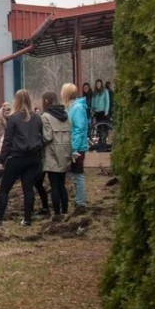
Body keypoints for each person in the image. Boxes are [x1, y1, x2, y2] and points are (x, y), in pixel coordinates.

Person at [0, 89, 43, 229]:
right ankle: (27, 220)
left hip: (16, 158)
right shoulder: (37, 118)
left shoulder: (14, 118)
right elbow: (41, 137)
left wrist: (1, 160)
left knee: (4, 189)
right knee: (28, 189)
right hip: (33, 159)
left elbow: (7, 141)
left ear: (16, 101)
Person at [40, 91, 72, 221]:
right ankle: (65, 211)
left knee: (54, 185)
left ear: (46, 101)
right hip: (65, 152)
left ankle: (57, 213)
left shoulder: (45, 116)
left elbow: (47, 137)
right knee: (62, 184)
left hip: (52, 153)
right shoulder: (66, 115)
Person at [63, 83, 89, 212]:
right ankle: (79, 200)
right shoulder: (71, 107)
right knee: (74, 174)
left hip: (77, 148)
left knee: (78, 174)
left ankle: (81, 203)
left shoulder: (77, 108)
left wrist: (74, 148)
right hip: (74, 146)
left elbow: (79, 129)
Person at [91, 79, 110, 146]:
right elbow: (92, 102)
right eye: (97, 83)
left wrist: (106, 110)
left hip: (103, 111)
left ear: (101, 84)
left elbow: (107, 101)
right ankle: (100, 140)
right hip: (97, 112)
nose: (98, 85)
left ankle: (104, 140)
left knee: (103, 127)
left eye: (99, 83)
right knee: (98, 127)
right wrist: (92, 110)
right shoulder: (95, 92)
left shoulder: (105, 91)